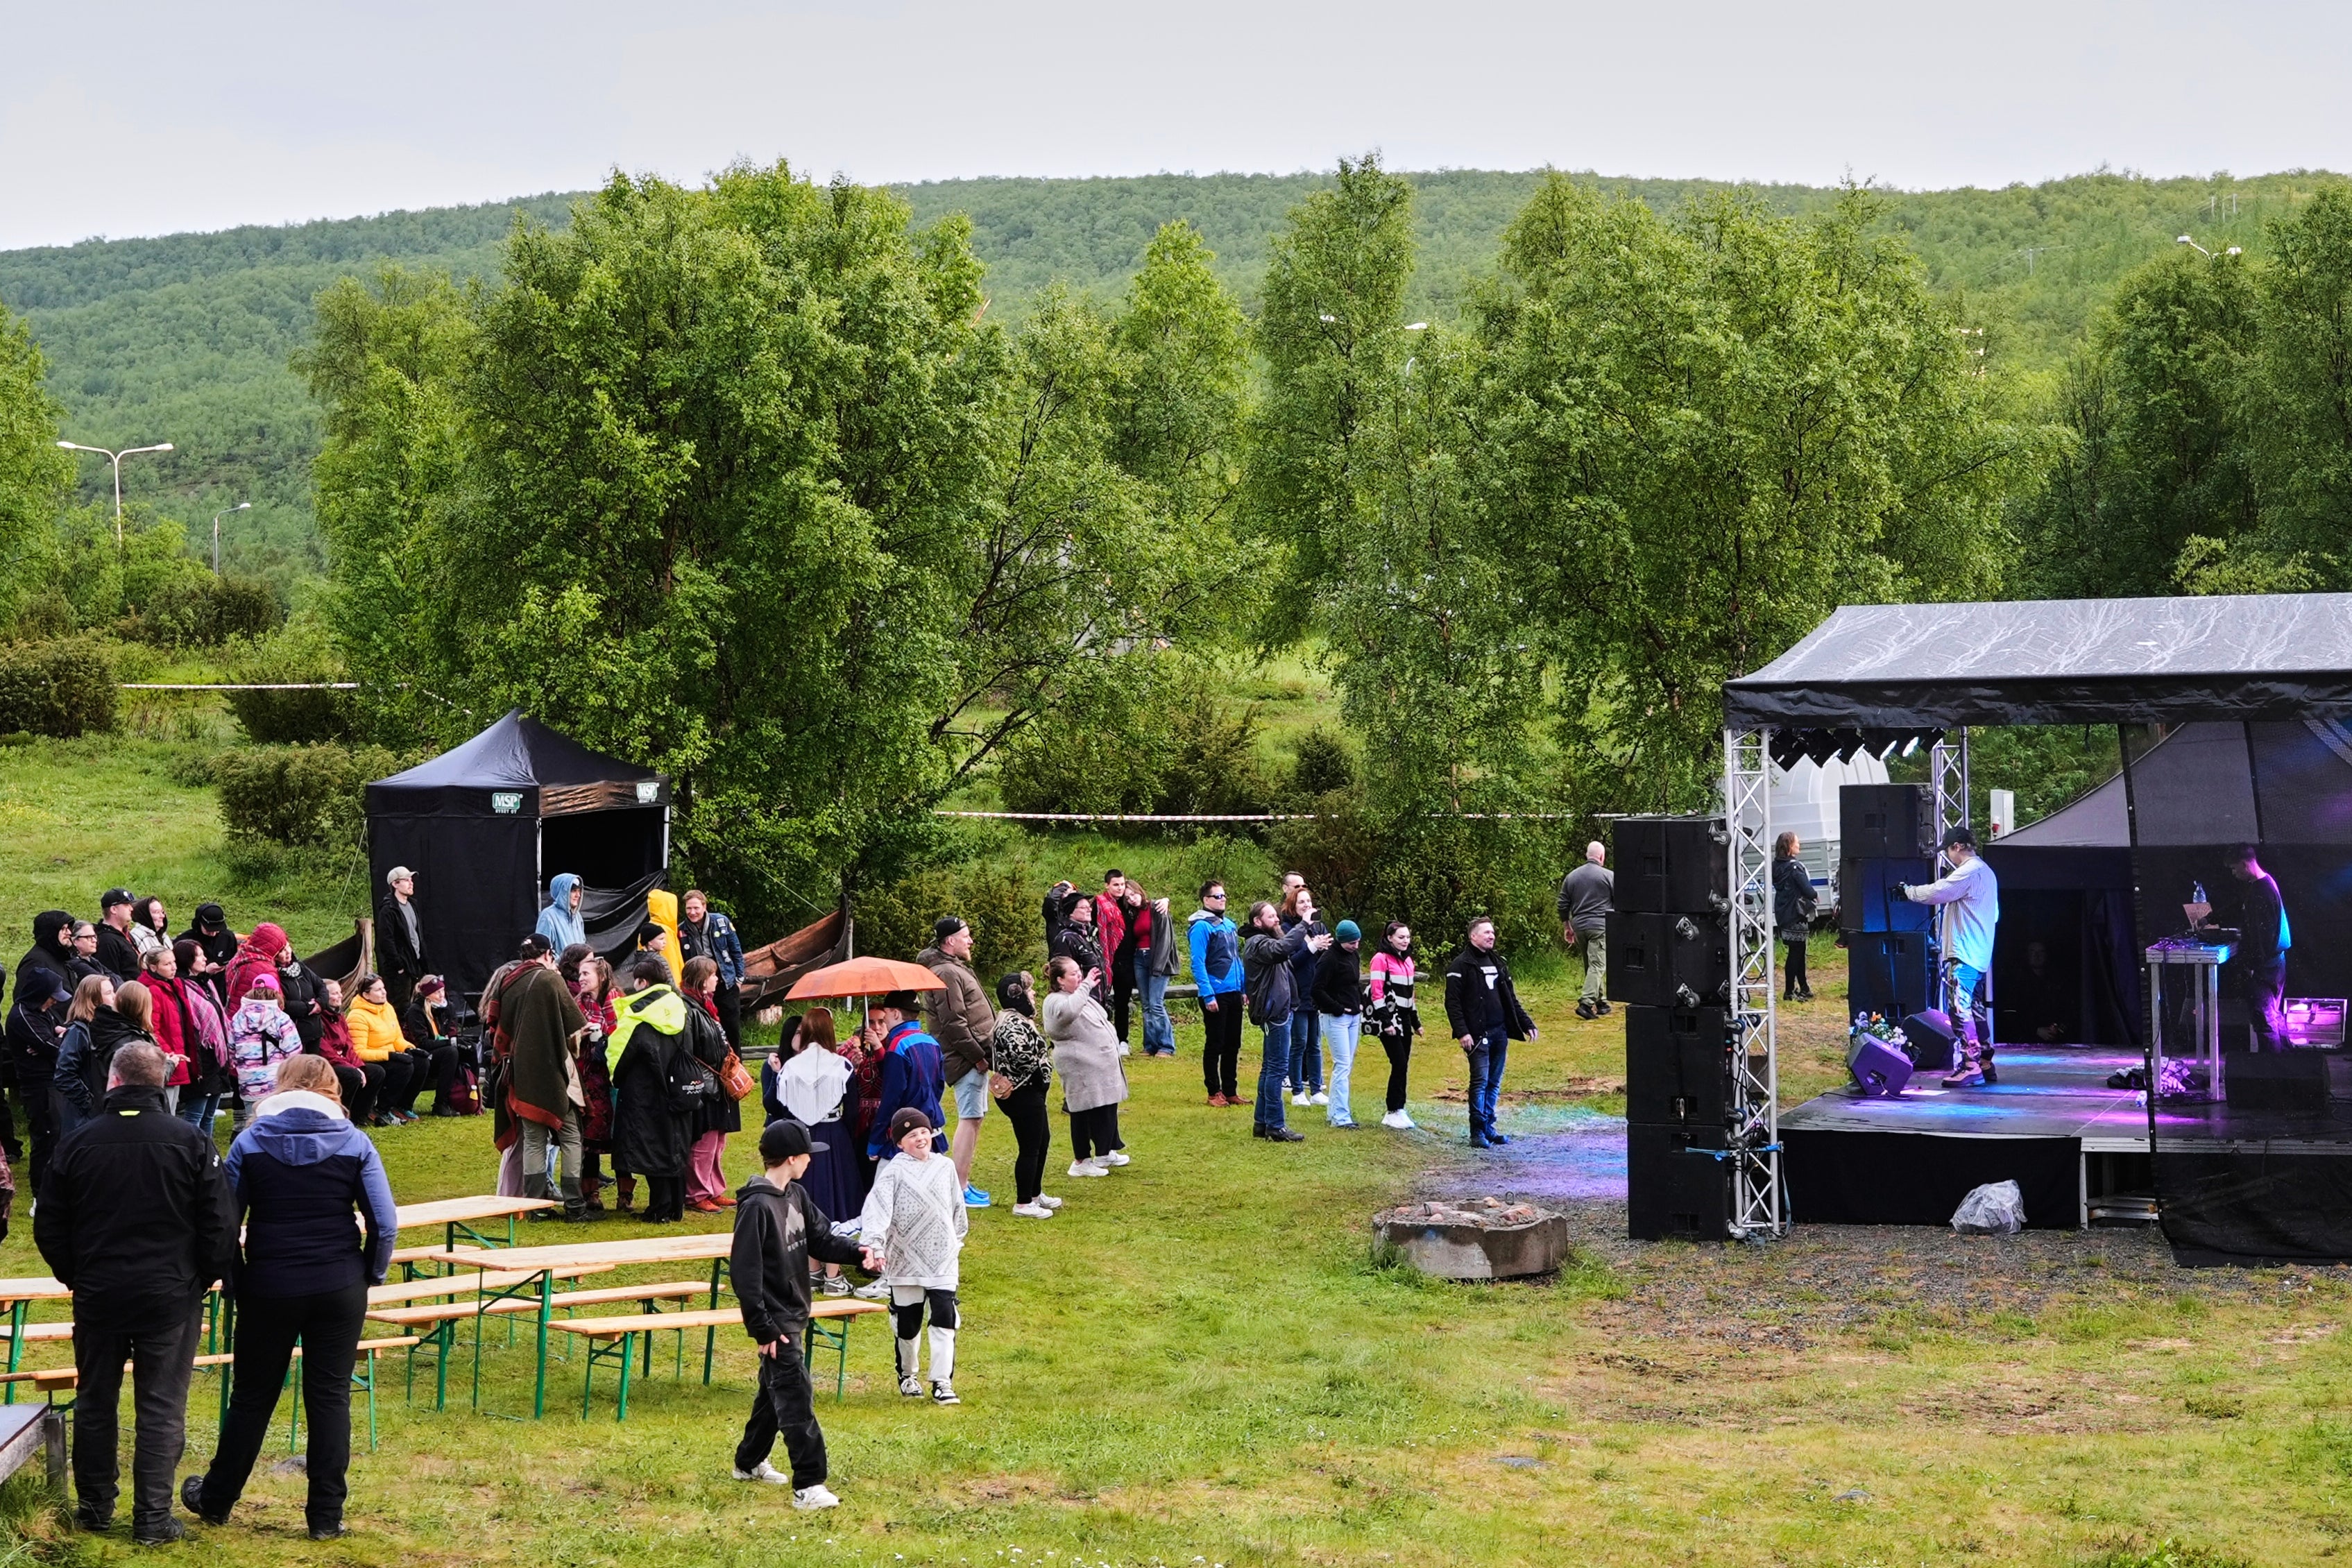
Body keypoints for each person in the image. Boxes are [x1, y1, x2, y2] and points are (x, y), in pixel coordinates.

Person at [181, 1054, 395, 1542]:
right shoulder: (354, 1141)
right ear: (332, 1090)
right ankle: (325, 1516)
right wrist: (370, 1274)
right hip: (338, 1282)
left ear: (281, 1086)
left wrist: (235, 1278)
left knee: (252, 1396)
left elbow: (223, 1223)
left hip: (269, 1282)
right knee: (330, 1395)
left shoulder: (250, 1141)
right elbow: (384, 1223)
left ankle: (216, 1499)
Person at [37, 1041, 233, 1545]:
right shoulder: (190, 1141)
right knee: (162, 1406)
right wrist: (200, 1278)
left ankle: (95, 1507)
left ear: (113, 1080)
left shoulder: (78, 1143)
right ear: (163, 1082)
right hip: (168, 1293)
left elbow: (51, 1224)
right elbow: (220, 1224)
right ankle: (151, 1520)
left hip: (101, 1291)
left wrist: (74, 1274)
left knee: (96, 1401)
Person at [729, 1118, 871, 1508]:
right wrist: (764, 1330)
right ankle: (809, 1484)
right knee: (796, 1399)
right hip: (775, 1322)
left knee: (773, 1393)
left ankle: (749, 1462)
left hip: (793, 1314)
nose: (811, 1161)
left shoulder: (796, 1195)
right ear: (792, 1158)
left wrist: (859, 1255)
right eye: (807, 1155)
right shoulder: (757, 1206)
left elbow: (822, 1240)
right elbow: (745, 1273)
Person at [861, 1107, 967, 1405]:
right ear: (900, 1143)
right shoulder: (893, 1171)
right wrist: (876, 1246)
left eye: (923, 1132)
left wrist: (954, 1240)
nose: (920, 1138)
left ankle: (942, 1382)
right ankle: (908, 1375)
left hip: (942, 1257)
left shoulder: (945, 1167)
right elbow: (877, 1211)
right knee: (908, 1323)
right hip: (905, 1259)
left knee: (945, 1318)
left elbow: (957, 1210)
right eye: (911, 1135)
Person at [765, 1010, 864, 1289]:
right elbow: (853, 1112)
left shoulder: (790, 1068)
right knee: (834, 1201)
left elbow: (777, 1107)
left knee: (807, 1200)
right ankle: (834, 1276)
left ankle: (813, 1271)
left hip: (800, 1138)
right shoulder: (842, 1066)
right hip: (834, 1136)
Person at [1898, 826, 2002, 1087]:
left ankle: (1970, 1065)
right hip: (1979, 954)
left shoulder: (1968, 872)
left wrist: (1908, 891)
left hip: (1963, 952)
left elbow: (1937, 892)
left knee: (1959, 1009)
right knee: (1976, 1009)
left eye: (1948, 850)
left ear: (1957, 847)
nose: (1948, 856)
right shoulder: (1987, 874)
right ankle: (1985, 1061)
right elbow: (1996, 914)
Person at [497, 946, 592, 1222]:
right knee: (572, 1136)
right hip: (554, 1072)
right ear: (549, 955)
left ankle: (536, 1207)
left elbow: (498, 1027)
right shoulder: (551, 979)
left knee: (534, 1141)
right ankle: (575, 1206)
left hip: (523, 1073)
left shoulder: (509, 981)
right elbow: (575, 1025)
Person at [917, 915, 996, 1209]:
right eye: (966, 936)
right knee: (970, 1118)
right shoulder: (946, 973)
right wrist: (978, 1057)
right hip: (965, 1059)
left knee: (974, 1118)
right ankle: (959, 1187)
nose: (970, 941)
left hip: (970, 1057)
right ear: (950, 941)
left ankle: (963, 1183)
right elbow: (953, 1022)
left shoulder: (952, 968)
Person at [608, 955, 695, 1222]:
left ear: (642, 982)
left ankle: (659, 1207)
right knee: (675, 1145)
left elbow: (620, 1058)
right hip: (677, 1087)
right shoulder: (680, 1008)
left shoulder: (638, 1015)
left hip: (644, 1094)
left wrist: (615, 1076)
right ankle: (675, 1206)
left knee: (651, 1148)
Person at [1442, 918, 1538, 1150]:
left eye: (1493, 932)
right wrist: (1462, 1032)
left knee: (1494, 1083)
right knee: (1480, 1082)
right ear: (1472, 936)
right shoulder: (1460, 966)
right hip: (1477, 1036)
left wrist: (1526, 1023)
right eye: (1486, 932)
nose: (1491, 936)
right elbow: (1452, 1003)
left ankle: (1489, 1127)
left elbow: (1510, 998)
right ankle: (1477, 1131)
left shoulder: (1499, 963)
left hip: (1500, 1032)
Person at [1241, 899, 1328, 1142]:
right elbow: (1283, 950)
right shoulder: (1259, 943)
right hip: (1275, 1013)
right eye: (1271, 917)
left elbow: (1286, 956)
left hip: (1279, 1010)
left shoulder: (1266, 942)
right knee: (1277, 1070)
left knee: (1269, 1069)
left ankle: (1262, 1123)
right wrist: (1304, 925)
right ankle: (1276, 1126)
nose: (1277, 919)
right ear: (1258, 922)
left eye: (1276, 915)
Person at [1041, 955, 1128, 1176]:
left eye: (1080, 972)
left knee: (1106, 1107)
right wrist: (1087, 985)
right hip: (1081, 1065)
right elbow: (1069, 1012)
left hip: (1099, 1063)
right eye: (1074, 974)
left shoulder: (1077, 995)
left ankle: (1105, 1151)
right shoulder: (1055, 1001)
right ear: (1060, 980)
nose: (1080, 977)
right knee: (1083, 1111)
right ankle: (1081, 1161)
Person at [989, 972, 1058, 1218]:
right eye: (1029, 991)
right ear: (1017, 996)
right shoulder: (1011, 1024)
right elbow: (1022, 1058)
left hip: (1032, 1093)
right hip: (1022, 1095)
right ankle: (1023, 1202)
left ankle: (1035, 1194)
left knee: (1042, 1141)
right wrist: (1043, 1056)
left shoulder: (1019, 1020)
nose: (1034, 994)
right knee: (1030, 1147)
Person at [680, 955, 741, 1213]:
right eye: (713, 975)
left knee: (718, 1141)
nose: (717, 978)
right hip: (706, 1085)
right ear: (702, 980)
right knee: (703, 1143)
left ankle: (714, 1189)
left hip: (717, 1083)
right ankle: (696, 1193)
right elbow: (691, 1050)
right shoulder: (690, 1009)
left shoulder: (706, 1006)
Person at [560, 951, 619, 1206]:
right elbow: (566, 1037)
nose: (581, 978)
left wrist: (606, 1038)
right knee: (588, 1139)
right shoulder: (577, 1002)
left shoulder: (616, 1000)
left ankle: (625, 1196)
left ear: (601, 976)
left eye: (586, 974)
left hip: (613, 1080)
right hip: (587, 1080)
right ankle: (590, 1193)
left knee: (620, 1135)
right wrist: (579, 1035)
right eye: (580, 973)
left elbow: (623, 1034)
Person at [865, 991, 946, 1168]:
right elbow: (939, 1086)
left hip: (905, 1135)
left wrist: (876, 1141)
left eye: (885, 1014)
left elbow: (891, 1098)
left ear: (895, 1013)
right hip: (931, 1130)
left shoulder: (898, 1046)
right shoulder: (933, 1043)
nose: (884, 1020)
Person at [3, 973, 68, 1190]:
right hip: (38, 1086)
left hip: (53, 1081)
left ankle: (56, 1185)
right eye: (52, 997)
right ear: (39, 994)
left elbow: (56, 1039)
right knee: (46, 1137)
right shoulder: (22, 1016)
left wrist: (56, 1038)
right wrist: (55, 1040)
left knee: (58, 1134)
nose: (55, 1002)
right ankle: (40, 1191)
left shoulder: (43, 1012)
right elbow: (51, 1047)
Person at [2228, 842, 2291, 1054]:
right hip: (2275, 963)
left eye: (2235, 868)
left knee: (2265, 1021)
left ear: (2245, 864)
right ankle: (2284, 1068)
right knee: (2273, 1017)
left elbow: (2261, 936)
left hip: (2265, 967)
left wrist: (2252, 966)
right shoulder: (2264, 884)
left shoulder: (2261, 892)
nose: (2234, 874)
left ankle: (2272, 1074)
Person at [1188, 882, 1246, 1107]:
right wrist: (1208, 994)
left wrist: (1243, 988)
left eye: (1224, 895)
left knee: (1233, 1043)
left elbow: (1236, 959)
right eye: (1217, 896)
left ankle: (1231, 1090)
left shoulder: (1229, 925)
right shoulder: (1202, 927)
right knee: (1216, 1043)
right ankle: (1214, 1091)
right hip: (1216, 991)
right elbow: (1198, 963)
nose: (1222, 899)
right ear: (1206, 900)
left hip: (1233, 991)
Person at [165, 940, 232, 1132]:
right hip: (200, 1057)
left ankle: (208, 1153)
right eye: (199, 955)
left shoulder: (206, 983)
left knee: (209, 1114)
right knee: (196, 1114)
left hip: (216, 1056)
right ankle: (192, 1153)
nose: (204, 959)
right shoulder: (182, 987)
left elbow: (218, 1016)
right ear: (187, 959)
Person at [226, 973, 302, 1130]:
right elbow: (294, 1051)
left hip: (248, 1083)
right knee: (278, 1125)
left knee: (253, 1125)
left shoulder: (238, 1018)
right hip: (276, 1082)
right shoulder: (281, 1018)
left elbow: (231, 1050)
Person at [348, 974, 424, 1124]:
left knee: (421, 1062)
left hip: (390, 1054)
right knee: (404, 1067)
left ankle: (403, 1106)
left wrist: (409, 1049)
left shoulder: (387, 1008)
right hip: (373, 1060)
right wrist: (390, 1055)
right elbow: (359, 1052)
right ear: (366, 995)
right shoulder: (357, 1016)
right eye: (378, 990)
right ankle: (382, 1109)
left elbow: (397, 1038)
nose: (384, 992)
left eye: (383, 988)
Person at [1367, 921, 1422, 1130]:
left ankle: (1400, 1108)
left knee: (1403, 1064)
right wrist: (1386, 1021)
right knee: (1398, 1062)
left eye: (1408, 937)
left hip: (1405, 1017)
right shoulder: (1380, 959)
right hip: (1388, 1017)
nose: (1405, 941)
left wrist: (1416, 1022)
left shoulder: (1408, 960)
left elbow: (1411, 994)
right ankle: (1392, 1109)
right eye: (1401, 937)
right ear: (1390, 937)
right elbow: (1377, 992)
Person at [677, 889, 748, 1051]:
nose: (692, 912)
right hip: (700, 989)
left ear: (704, 906)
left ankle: (736, 1068)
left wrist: (739, 979)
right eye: (689, 909)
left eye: (696, 908)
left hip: (725, 984)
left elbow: (736, 950)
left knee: (732, 1029)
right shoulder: (681, 931)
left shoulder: (721, 922)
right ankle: (715, 1067)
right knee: (707, 1031)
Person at [51, 973, 119, 1140]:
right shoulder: (78, 1032)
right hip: (85, 1119)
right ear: (94, 1000)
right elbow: (64, 1075)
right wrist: (89, 1103)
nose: (115, 996)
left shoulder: (104, 1028)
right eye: (109, 993)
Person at [1315, 919, 1366, 1129]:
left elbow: (1355, 983)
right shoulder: (1329, 959)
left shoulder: (1353, 955)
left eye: (1358, 941)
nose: (1355, 946)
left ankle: (1334, 1111)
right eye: (1351, 943)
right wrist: (1337, 1007)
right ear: (1341, 940)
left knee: (1347, 1065)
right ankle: (1341, 1117)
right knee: (1342, 1065)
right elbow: (1317, 990)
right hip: (1335, 1017)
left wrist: (1361, 1003)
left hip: (1354, 1015)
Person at [1281, 887, 1329, 1105]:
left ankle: (1317, 1089)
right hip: (1297, 992)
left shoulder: (1318, 927)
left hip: (1315, 993)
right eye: (1301, 902)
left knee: (1315, 1044)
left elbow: (1323, 959)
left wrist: (1325, 949)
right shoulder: (1287, 929)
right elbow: (1290, 962)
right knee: (1298, 1042)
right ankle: (1297, 1090)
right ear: (1292, 905)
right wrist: (1311, 947)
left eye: (1309, 901)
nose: (1307, 905)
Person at [314, 980, 383, 1126]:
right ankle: (341, 1117)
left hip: (343, 1061)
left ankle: (359, 1116)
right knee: (352, 1076)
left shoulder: (340, 1017)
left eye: (340, 992)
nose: (339, 996)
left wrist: (359, 1066)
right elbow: (325, 1051)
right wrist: (353, 1069)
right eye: (334, 993)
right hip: (327, 1065)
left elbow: (349, 1046)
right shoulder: (317, 1019)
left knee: (376, 1072)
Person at [1559, 841, 1614, 1020]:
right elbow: (1620, 901)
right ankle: (1586, 1004)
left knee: (1591, 965)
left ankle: (1601, 1002)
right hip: (1600, 926)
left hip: (1580, 926)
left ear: (1587, 855)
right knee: (1598, 965)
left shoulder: (1572, 877)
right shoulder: (1609, 876)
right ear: (1602, 857)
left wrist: (1567, 926)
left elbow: (1562, 903)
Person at [399, 975, 461, 1115]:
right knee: (451, 1052)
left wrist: (453, 1040)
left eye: (443, 990)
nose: (441, 995)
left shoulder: (447, 1007)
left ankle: (470, 1099)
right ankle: (440, 1103)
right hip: (422, 1054)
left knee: (467, 1049)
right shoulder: (416, 1011)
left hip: (439, 1050)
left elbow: (453, 1031)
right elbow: (423, 1043)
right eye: (437, 992)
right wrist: (449, 1041)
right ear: (427, 995)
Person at [375, 867, 432, 1015]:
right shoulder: (388, 909)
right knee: (401, 1007)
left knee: (416, 1004)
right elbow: (386, 941)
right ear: (395, 884)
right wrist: (399, 966)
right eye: (406, 880)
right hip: (400, 970)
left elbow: (417, 936)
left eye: (411, 879)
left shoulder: (413, 905)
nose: (411, 883)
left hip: (416, 965)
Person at [1134, 883, 1177, 1058]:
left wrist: (1158, 966)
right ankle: (1150, 1045)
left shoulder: (1157, 908)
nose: (1132, 899)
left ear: (1140, 892)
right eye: (1128, 897)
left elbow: (1166, 939)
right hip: (1139, 958)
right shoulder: (1132, 913)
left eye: (1134, 894)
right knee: (1146, 1004)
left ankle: (1166, 1045)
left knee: (1156, 1003)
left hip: (1158, 958)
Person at [1773, 832, 1816, 1003]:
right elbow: (1808, 890)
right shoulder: (1795, 867)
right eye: (1797, 842)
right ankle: (1790, 990)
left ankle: (1803, 987)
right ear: (1789, 845)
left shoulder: (1776, 866)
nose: (1800, 845)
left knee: (1796, 952)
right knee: (1796, 954)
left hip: (1783, 913)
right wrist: (1814, 895)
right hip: (1796, 914)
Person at [1051, 893, 1107, 1011]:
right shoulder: (1066, 939)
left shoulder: (1089, 934)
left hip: (1098, 1002)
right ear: (1071, 912)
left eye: (1089, 906)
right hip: (1082, 1004)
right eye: (1083, 908)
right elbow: (1062, 975)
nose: (1089, 909)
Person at [1104, 873, 1141, 1047]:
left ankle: (1122, 1040)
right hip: (1106, 959)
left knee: (1122, 1003)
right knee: (1100, 1001)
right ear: (1107, 886)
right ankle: (1102, 1038)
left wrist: (1165, 901)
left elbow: (1148, 906)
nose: (1119, 888)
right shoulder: (1101, 905)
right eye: (1115, 885)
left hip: (1126, 962)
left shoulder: (1130, 907)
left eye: (1121, 885)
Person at [95, 889, 143, 982]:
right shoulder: (106, 941)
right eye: (126, 905)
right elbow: (112, 978)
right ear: (113, 910)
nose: (131, 908)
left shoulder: (125, 935)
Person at [535, 872, 586, 958]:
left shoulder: (577, 917)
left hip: (577, 970)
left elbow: (583, 944)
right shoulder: (548, 916)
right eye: (574, 891)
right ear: (563, 892)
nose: (578, 895)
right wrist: (562, 964)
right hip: (559, 970)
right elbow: (542, 949)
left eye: (579, 891)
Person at [178, 904, 238, 975]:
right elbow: (179, 973)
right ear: (200, 923)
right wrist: (205, 971)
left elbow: (235, 961)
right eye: (209, 930)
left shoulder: (228, 937)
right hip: (195, 983)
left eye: (217, 930)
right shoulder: (185, 942)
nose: (213, 934)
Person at [129, 897, 171, 964]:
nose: (162, 916)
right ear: (145, 915)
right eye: (157, 912)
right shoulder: (138, 937)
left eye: (162, 912)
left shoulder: (163, 935)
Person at [67, 921, 108, 985]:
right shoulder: (74, 963)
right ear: (74, 941)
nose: (94, 940)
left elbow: (117, 978)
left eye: (94, 937)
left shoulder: (92, 960)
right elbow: (103, 983)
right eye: (89, 937)